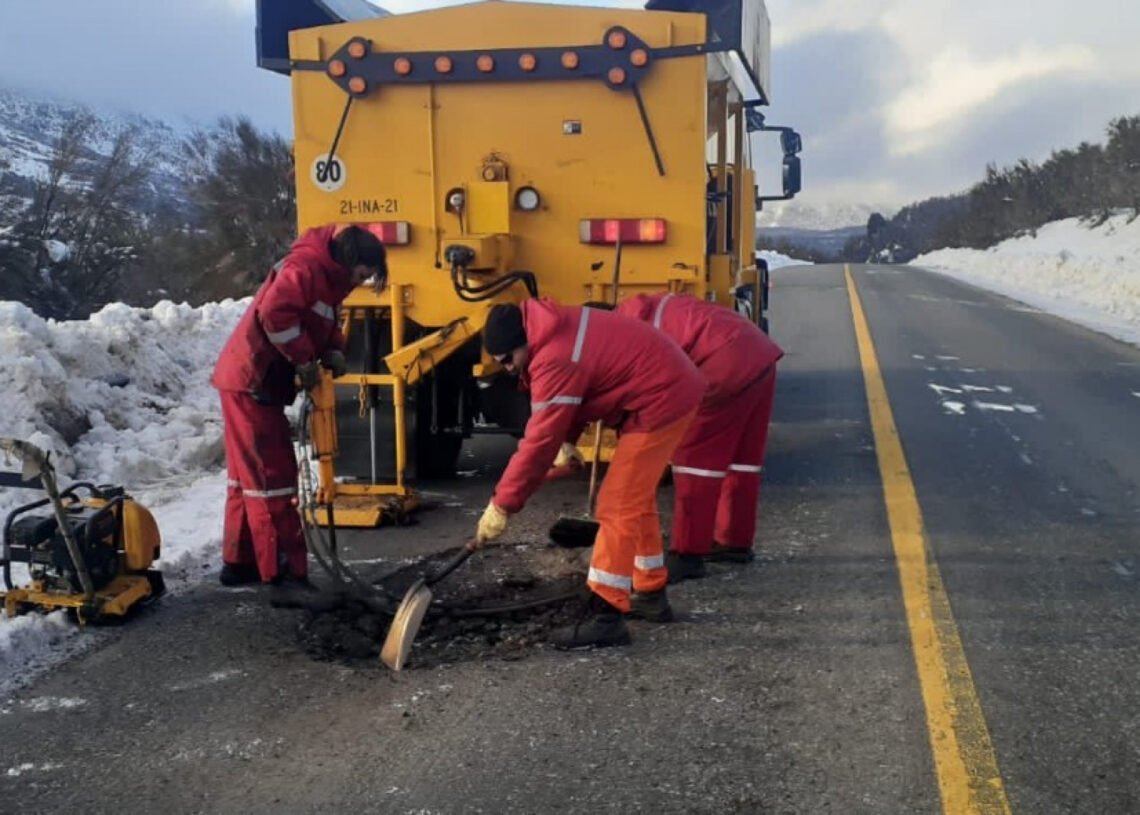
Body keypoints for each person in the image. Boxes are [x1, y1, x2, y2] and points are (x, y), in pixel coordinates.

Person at [476, 300, 705, 649]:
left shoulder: (553, 357)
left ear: (523, 341)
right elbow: (584, 389)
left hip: (662, 399)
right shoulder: (549, 330)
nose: (509, 369)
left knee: (615, 505)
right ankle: (650, 592)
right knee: (633, 500)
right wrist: (567, 441)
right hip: (665, 388)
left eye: (509, 359)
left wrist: (502, 505)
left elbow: (538, 442)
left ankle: (605, 614)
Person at [211, 224, 388, 587]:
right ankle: (283, 574)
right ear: (349, 261)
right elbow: (275, 315)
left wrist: (333, 348)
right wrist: (305, 360)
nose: (360, 282)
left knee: (246, 478)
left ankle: (241, 561)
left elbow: (319, 320)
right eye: (361, 275)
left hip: (251, 379)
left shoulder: (328, 277)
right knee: (270, 478)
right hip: (254, 378)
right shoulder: (305, 269)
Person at [615, 292, 783, 582]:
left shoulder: (632, 336)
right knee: (743, 458)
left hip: (723, 362)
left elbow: (663, 390)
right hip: (759, 354)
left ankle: (688, 554)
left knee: (694, 459)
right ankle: (734, 541)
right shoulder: (653, 308)